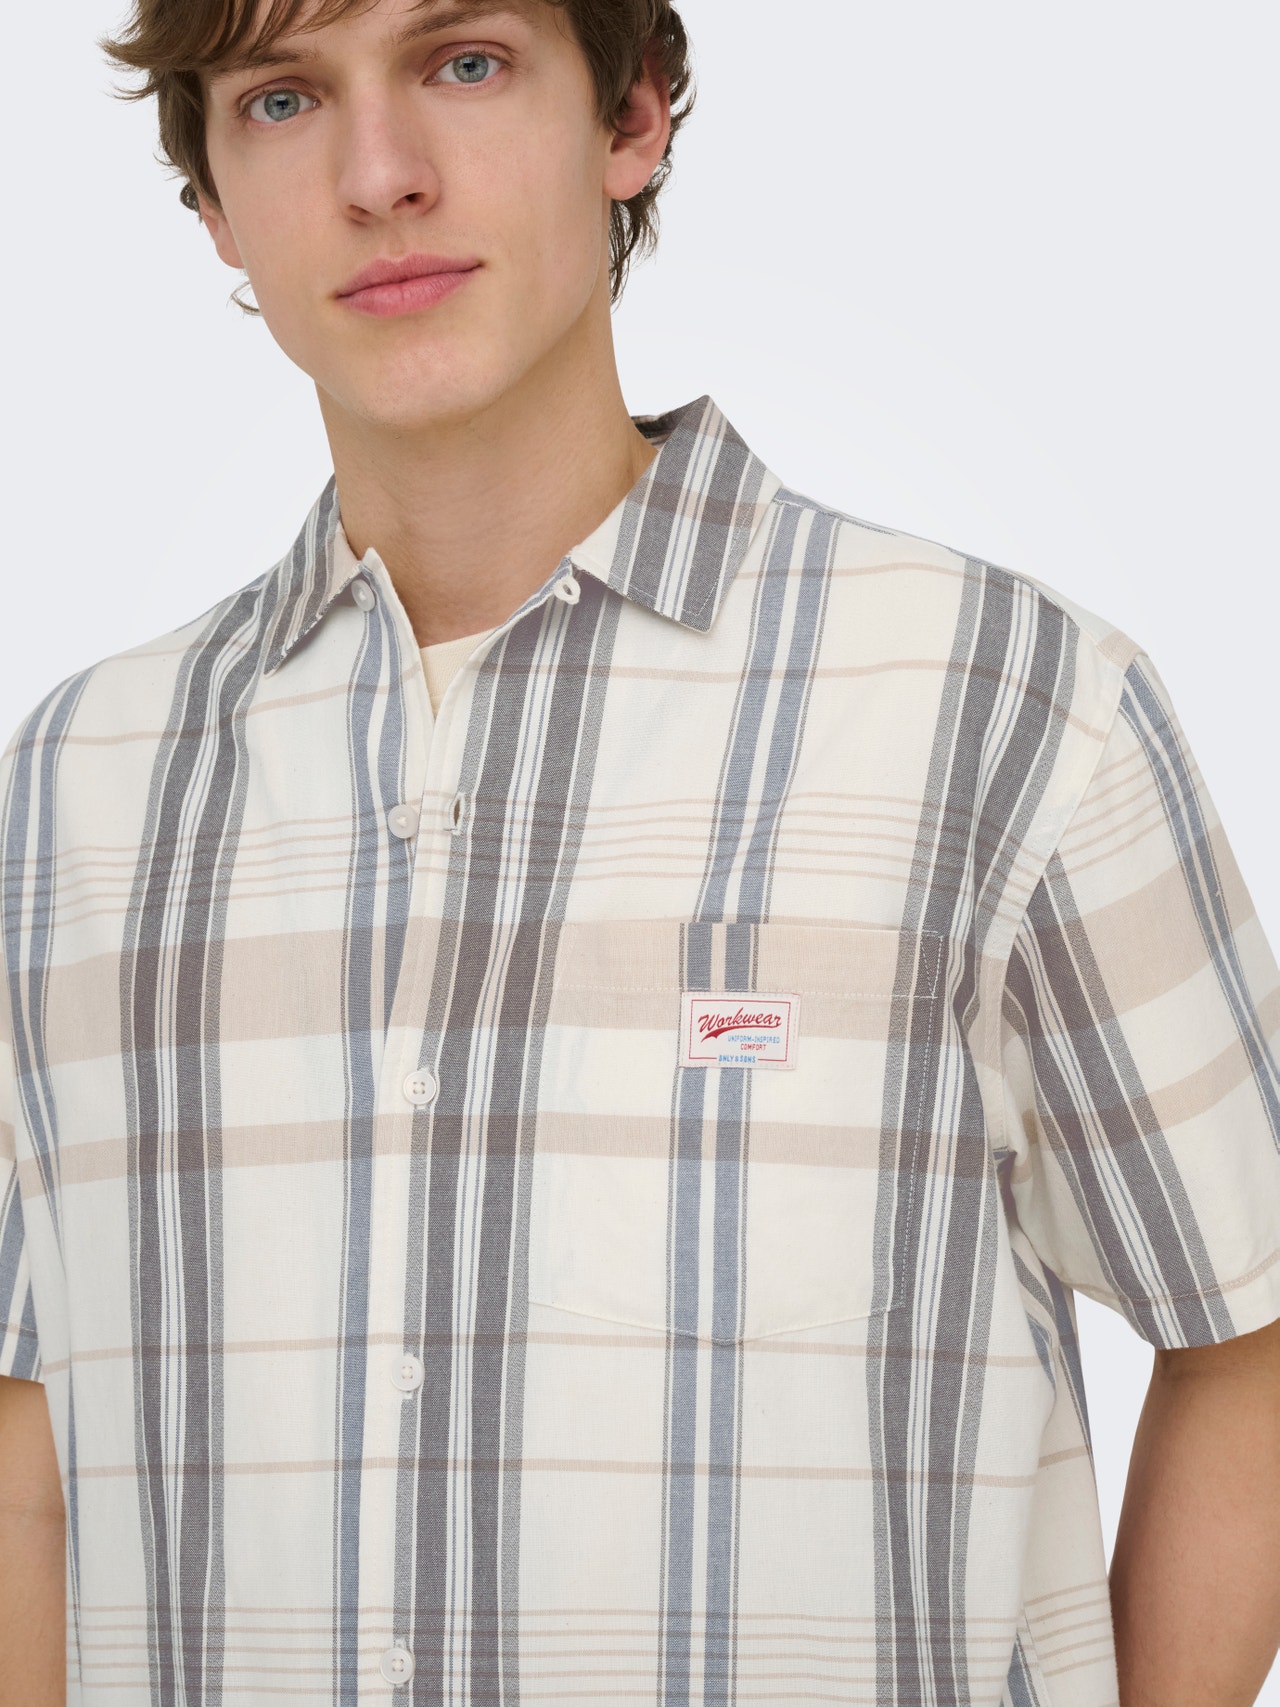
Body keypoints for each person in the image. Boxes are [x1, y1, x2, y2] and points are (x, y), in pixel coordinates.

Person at [2, 0, 1278, 1701]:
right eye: (284, 98)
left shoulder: (1007, 713)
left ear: (632, 117)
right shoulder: (73, 792)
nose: (379, 176)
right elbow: (32, 1436)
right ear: (215, 205)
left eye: (464, 62)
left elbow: (1249, 1332)